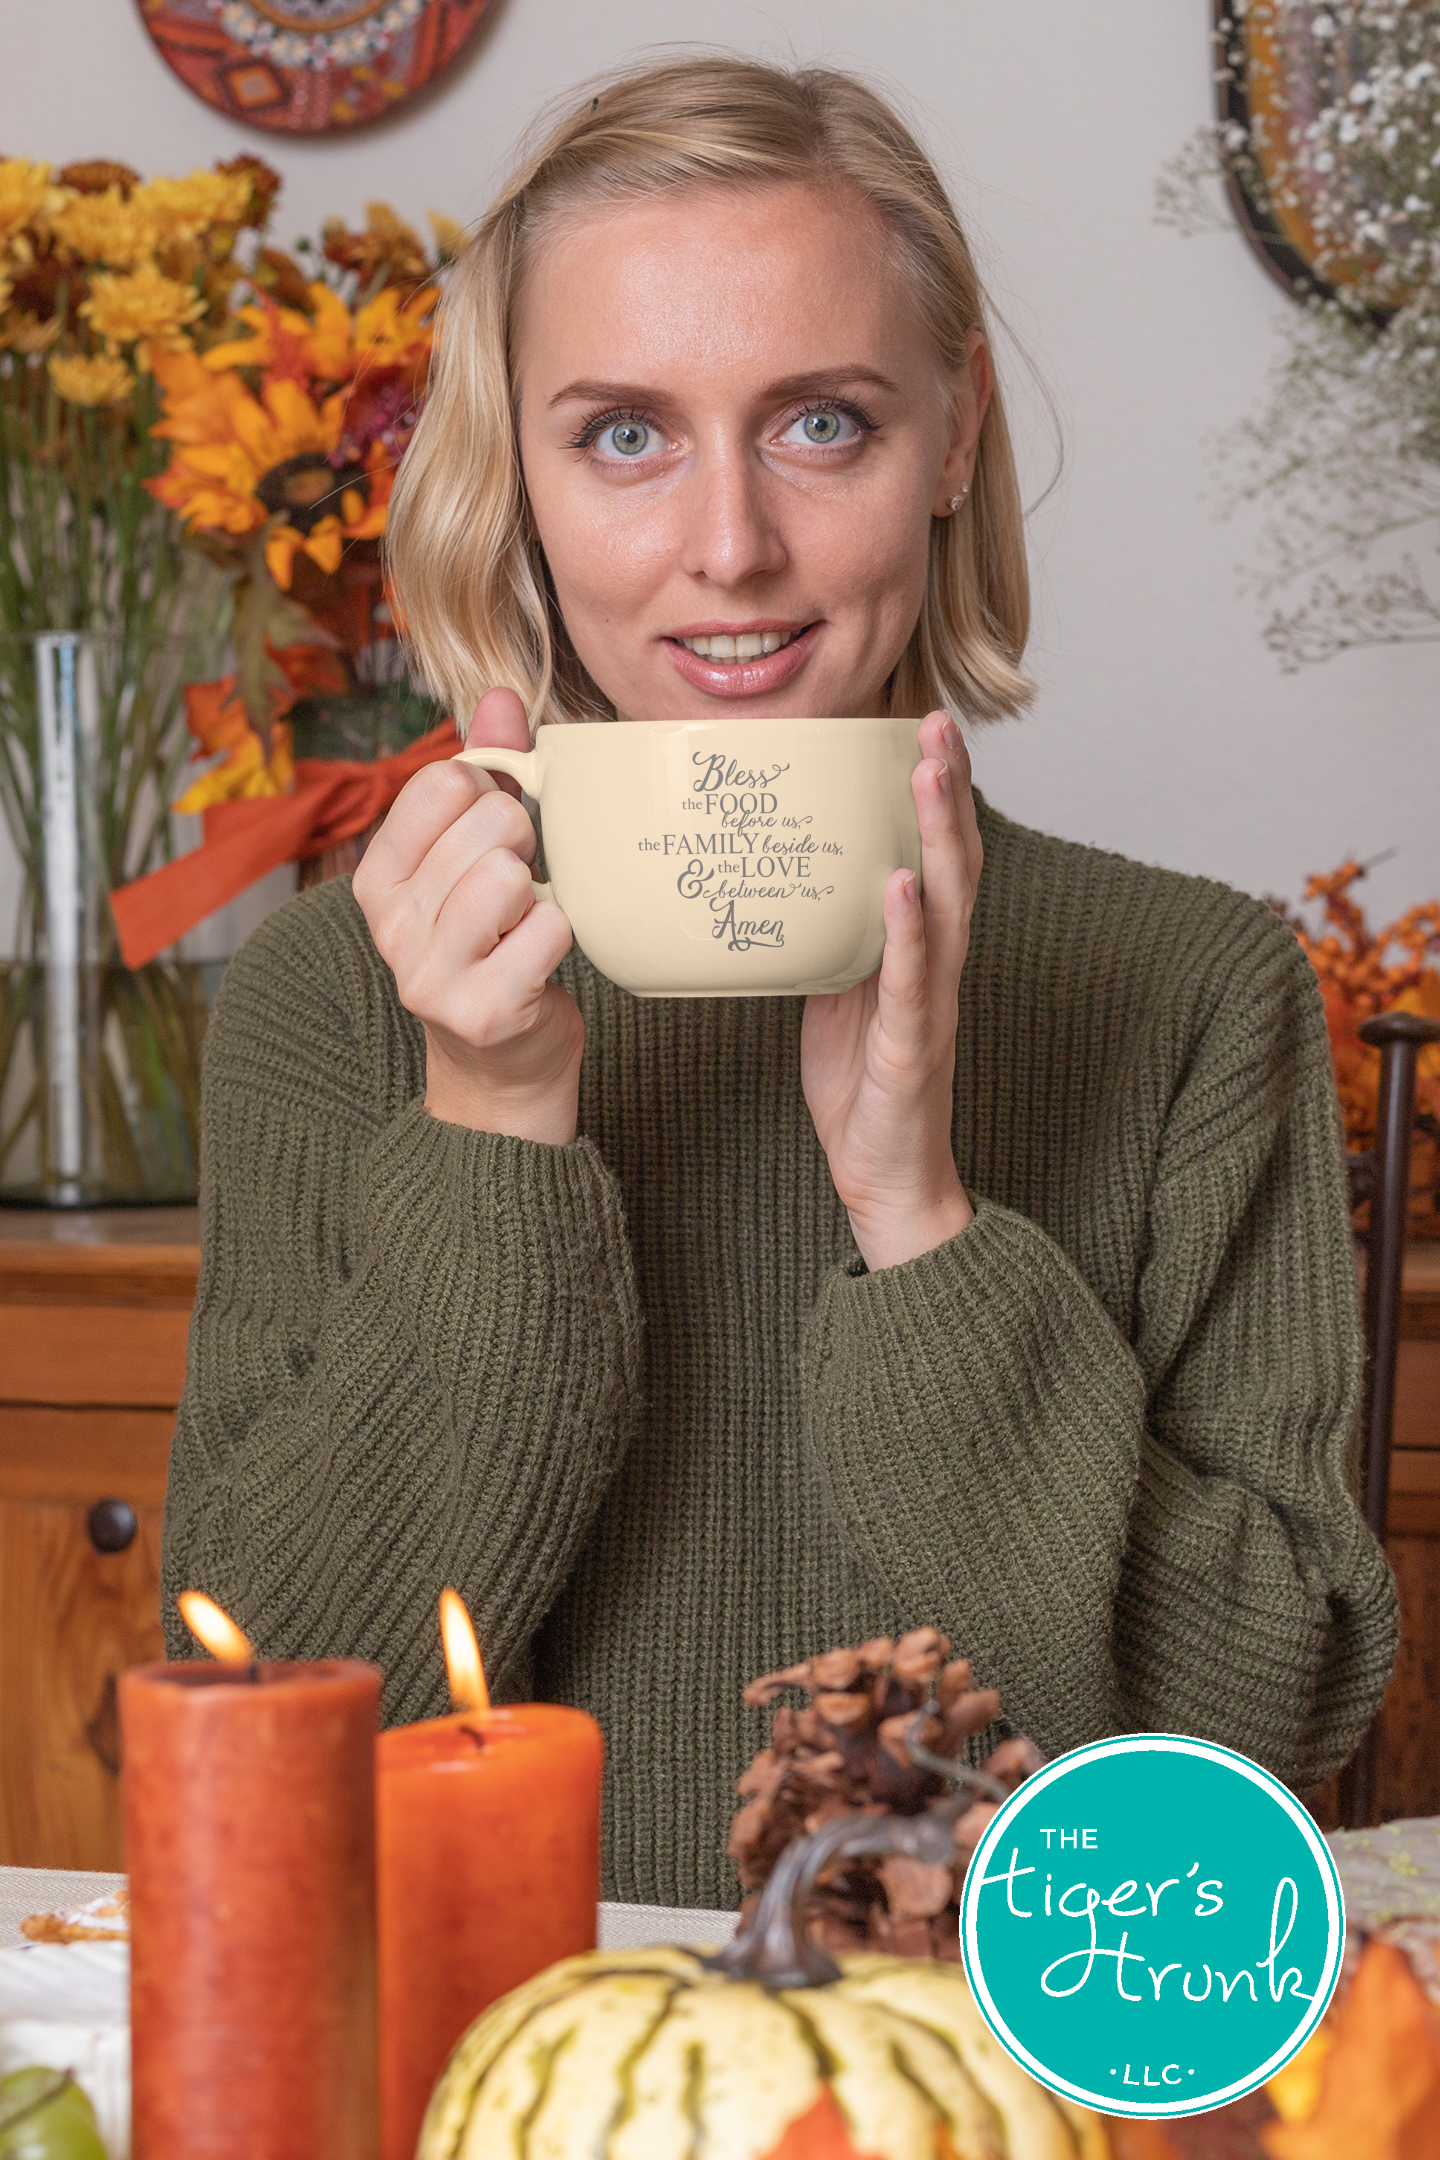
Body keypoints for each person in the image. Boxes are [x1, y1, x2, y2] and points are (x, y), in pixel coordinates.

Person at [162, 56, 1397, 1910]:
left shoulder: (1192, 988)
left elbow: (1253, 1758)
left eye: (821, 423)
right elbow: (263, 1726)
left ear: (954, 437)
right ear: (517, 475)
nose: (729, 547)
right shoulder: (338, 997)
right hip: (505, 2041)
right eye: (623, 436)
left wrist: (922, 1219)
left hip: (1008, 2047)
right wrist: (492, 1125)